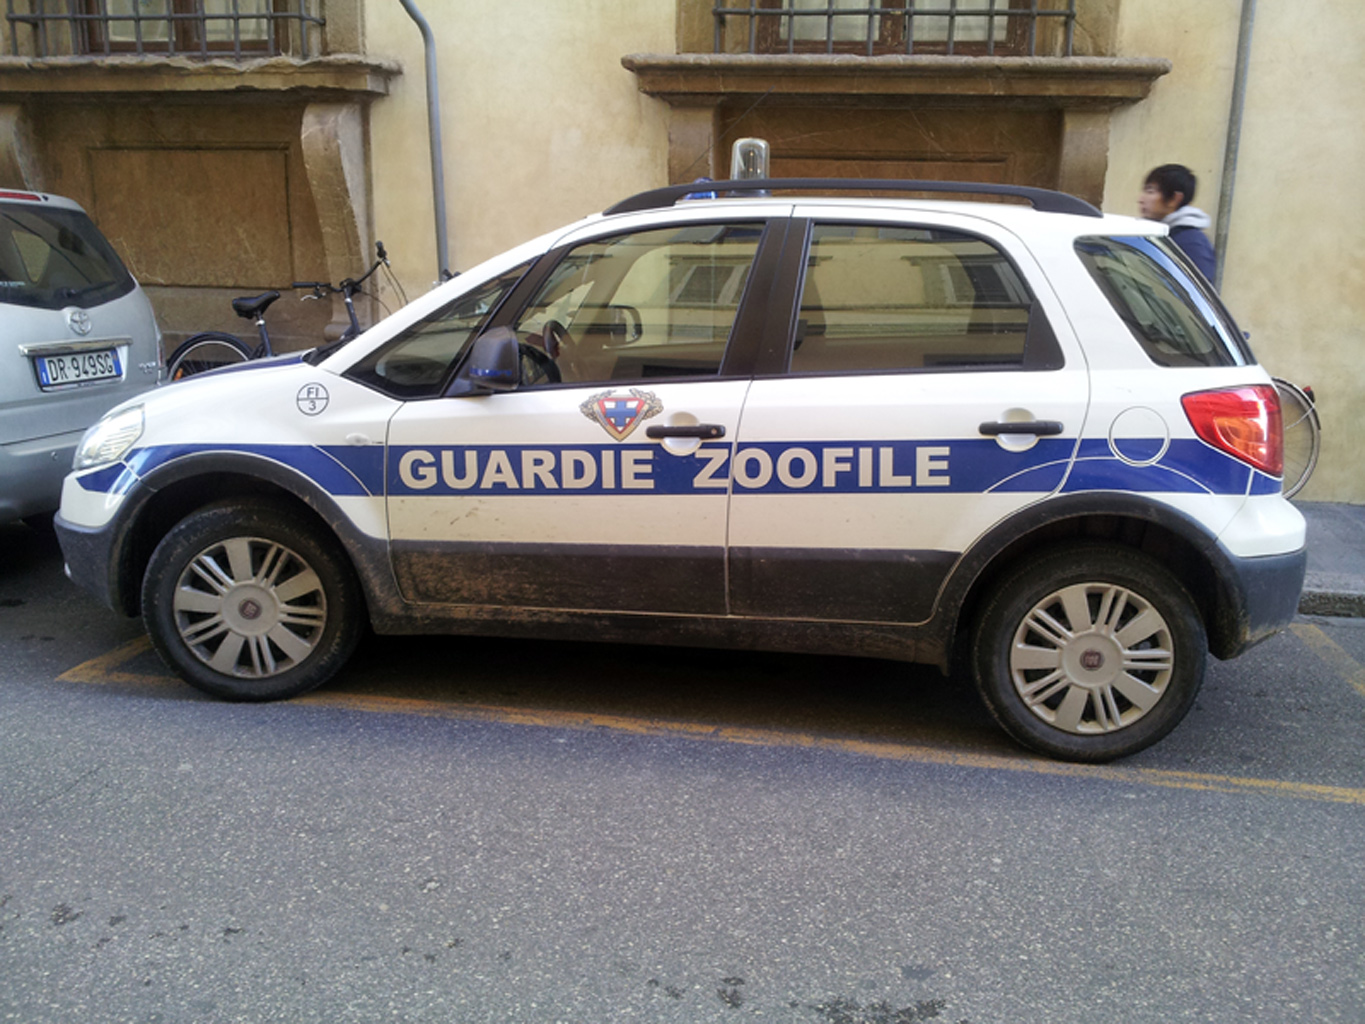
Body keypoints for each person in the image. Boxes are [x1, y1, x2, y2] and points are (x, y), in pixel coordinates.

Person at [1138, 163, 1217, 284]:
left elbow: (1193, 289)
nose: (1141, 199)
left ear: (1174, 199)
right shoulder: (1160, 234)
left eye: (1150, 191)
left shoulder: (1191, 242)